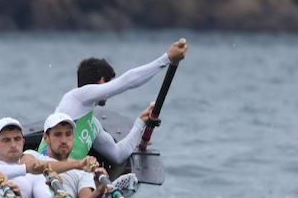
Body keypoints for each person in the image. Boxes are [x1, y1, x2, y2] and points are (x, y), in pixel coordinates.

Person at [40, 37, 188, 162]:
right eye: (109, 82)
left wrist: (140, 123)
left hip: (67, 182)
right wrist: (166, 59)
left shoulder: (94, 126)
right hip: (44, 173)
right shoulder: (75, 97)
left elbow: (117, 155)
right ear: (102, 81)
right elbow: (127, 82)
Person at [38, 112, 107, 198]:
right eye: (58, 134)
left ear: (73, 136)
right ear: (46, 138)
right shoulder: (32, 158)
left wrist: (99, 191)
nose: (64, 140)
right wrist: (77, 164)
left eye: (68, 134)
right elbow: (34, 167)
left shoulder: (84, 171)